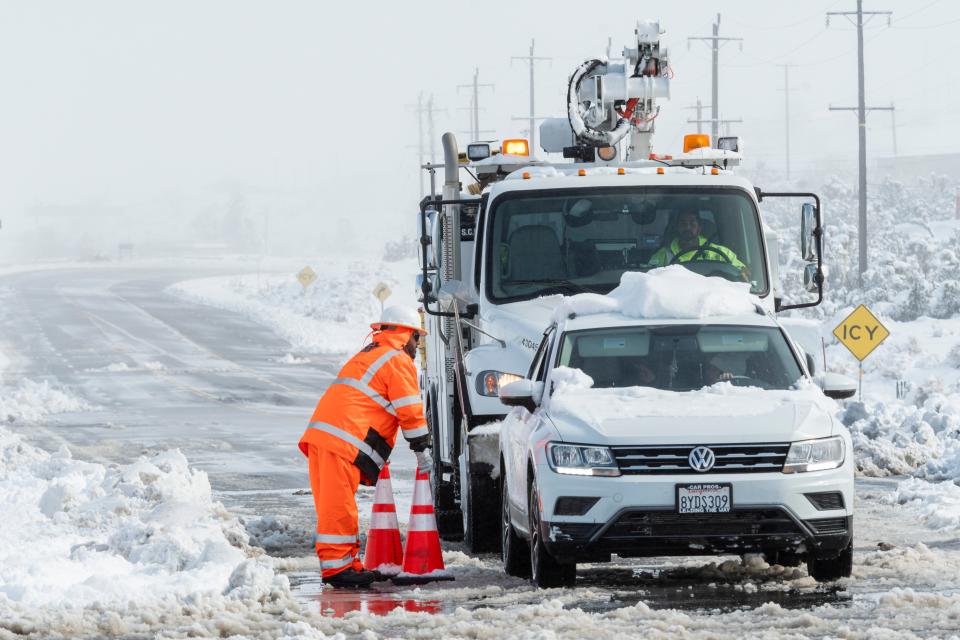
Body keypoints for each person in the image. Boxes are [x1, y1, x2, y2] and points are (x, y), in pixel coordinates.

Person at [297, 306, 432, 588]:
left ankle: (347, 564)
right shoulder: (396, 360)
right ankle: (338, 570)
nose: (416, 345)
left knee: (332, 505)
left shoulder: (371, 354)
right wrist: (421, 448)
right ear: (405, 334)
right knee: (339, 507)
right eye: (416, 338)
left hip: (326, 436)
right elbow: (409, 408)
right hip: (342, 440)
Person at [648, 211, 749, 279]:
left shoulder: (722, 253)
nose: (687, 227)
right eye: (683, 224)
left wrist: (743, 274)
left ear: (699, 228)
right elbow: (646, 277)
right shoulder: (663, 255)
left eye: (692, 223)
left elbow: (743, 273)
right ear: (677, 228)